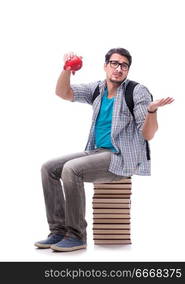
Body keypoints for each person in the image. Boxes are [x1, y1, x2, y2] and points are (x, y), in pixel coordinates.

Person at [35, 48, 174, 252]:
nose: (118, 69)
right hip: (97, 152)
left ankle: (76, 236)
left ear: (128, 70)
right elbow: (63, 93)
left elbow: (148, 134)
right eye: (114, 63)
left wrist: (152, 110)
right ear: (105, 66)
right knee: (48, 168)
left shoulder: (137, 91)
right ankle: (58, 230)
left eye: (124, 65)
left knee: (71, 169)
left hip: (121, 158)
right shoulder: (97, 89)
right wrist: (66, 69)